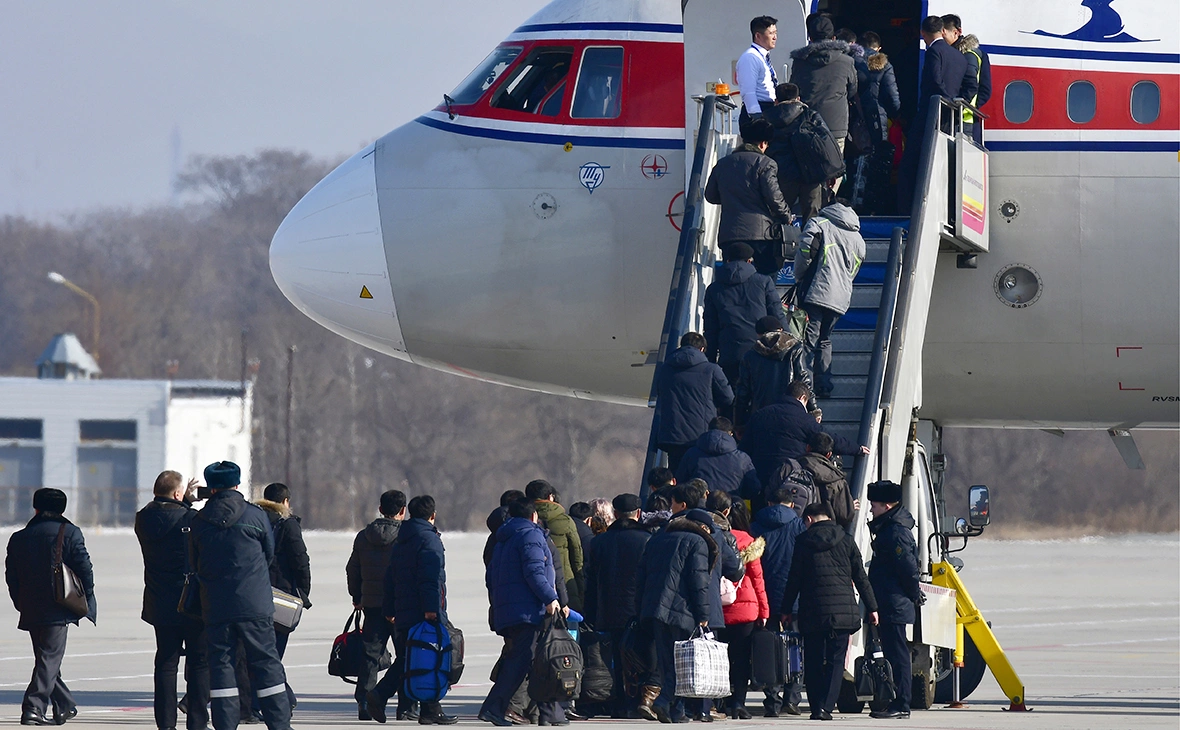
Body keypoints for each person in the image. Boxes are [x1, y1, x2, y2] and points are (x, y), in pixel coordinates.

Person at [189, 461, 292, 730]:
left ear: (210, 486)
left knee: (221, 665)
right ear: (237, 483)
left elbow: (194, 562)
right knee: (266, 663)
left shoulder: (199, 521)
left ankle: (225, 725)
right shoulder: (255, 516)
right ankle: (279, 724)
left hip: (216, 606)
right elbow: (268, 553)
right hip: (254, 603)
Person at [6, 488, 96, 726]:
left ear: (36, 508)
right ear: (62, 509)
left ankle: (64, 704)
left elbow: (11, 575)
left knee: (46, 658)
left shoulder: (18, 537)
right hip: (58, 605)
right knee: (49, 659)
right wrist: (86, 598)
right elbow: (84, 568)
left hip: (30, 606)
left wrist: (19, 601)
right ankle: (33, 707)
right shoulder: (70, 533)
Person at [781, 503, 878, 721]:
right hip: (842, 612)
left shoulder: (803, 543)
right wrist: (873, 607)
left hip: (813, 611)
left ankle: (816, 706)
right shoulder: (846, 540)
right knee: (836, 661)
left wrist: (786, 610)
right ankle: (826, 707)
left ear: (809, 520)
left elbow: (794, 579)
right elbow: (861, 578)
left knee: (813, 660)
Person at [369, 495, 458, 725]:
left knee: (418, 658)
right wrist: (432, 609)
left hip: (403, 609)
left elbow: (390, 576)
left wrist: (389, 607)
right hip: (422, 610)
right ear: (433, 515)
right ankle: (379, 695)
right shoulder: (429, 540)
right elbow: (430, 579)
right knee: (417, 658)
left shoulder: (403, 539)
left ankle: (430, 709)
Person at [480, 498, 565, 727]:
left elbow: (492, 576)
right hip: (527, 610)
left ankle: (546, 713)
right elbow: (535, 572)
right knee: (520, 661)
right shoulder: (531, 535)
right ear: (533, 515)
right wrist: (550, 597)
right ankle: (493, 707)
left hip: (509, 608)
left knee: (523, 660)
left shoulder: (503, 538)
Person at [136, 471, 210, 730]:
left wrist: (184, 500)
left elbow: (168, 519)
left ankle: (166, 723)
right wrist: (190, 504)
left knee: (166, 662)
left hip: (159, 600)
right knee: (200, 662)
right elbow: (188, 528)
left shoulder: (143, 519)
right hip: (191, 601)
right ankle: (197, 721)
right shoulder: (192, 518)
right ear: (178, 494)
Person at [634, 497, 716, 723]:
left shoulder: (657, 539)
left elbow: (640, 578)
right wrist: (703, 616)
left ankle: (676, 711)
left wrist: (640, 608)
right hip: (683, 609)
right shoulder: (697, 543)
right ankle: (663, 702)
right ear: (703, 527)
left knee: (667, 661)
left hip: (655, 609)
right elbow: (698, 582)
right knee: (684, 663)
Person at [583, 493, 653, 718]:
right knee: (641, 655)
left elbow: (592, 580)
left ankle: (620, 702)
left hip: (608, 608)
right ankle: (638, 700)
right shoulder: (647, 539)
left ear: (615, 514)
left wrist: (591, 611)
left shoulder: (599, 541)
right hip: (638, 609)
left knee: (615, 657)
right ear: (638, 514)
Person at [793, 197, 866, 398]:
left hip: (816, 291)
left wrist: (798, 276)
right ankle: (824, 385)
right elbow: (854, 270)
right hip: (840, 298)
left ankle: (804, 387)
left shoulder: (819, 224)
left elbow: (805, 253)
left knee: (808, 341)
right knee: (825, 340)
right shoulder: (858, 238)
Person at [703, 121, 795, 278]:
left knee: (732, 279)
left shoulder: (723, 164)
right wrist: (786, 216)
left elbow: (710, 196)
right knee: (767, 277)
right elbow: (774, 196)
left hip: (729, 234)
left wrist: (731, 198)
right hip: (761, 235)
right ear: (762, 143)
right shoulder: (765, 163)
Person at [345, 489, 407, 721]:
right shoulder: (407, 536)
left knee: (370, 655)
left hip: (371, 604)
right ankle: (405, 706)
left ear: (381, 509)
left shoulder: (363, 536)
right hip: (400, 606)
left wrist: (357, 596)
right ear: (403, 511)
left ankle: (364, 701)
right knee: (405, 655)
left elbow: (353, 568)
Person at [866, 481, 923, 720]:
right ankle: (896, 700)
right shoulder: (889, 528)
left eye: (874, 506)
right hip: (891, 599)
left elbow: (908, 568)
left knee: (898, 655)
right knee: (893, 652)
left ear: (887, 505)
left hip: (895, 601)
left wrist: (913, 593)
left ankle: (902, 703)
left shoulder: (895, 532)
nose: (871, 511)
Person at [898, 15, 967, 212]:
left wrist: (945, 97)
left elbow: (935, 80)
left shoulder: (934, 51)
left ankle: (906, 209)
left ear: (923, 33)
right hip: (949, 117)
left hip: (931, 113)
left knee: (910, 163)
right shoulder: (959, 57)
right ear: (943, 30)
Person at [748, 487, 806, 716]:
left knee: (767, 648)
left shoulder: (755, 527)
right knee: (795, 647)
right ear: (792, 505)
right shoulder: (800, 527)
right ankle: (792, 697)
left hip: (764, 596)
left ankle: (771, 698)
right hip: (794, 597)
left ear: (769, 502)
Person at [741, 381, 868, 486]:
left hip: (760, 474)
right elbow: (828, 439)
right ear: (802, 398)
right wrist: (856, 449)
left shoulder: (760, 415)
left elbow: (745, 446)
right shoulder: (804, 419)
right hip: (789, 475)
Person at [710, 492, 768, 720]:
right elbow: (758, 579)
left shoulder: (712, 537)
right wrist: (764, 610)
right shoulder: (748, 541)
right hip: (745, 610)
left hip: (717, 609)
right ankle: (738, 704)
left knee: (718, 657)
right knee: (741, 659)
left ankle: (718, 702)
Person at [789, 15, 857, 193]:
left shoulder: (800, 61)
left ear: (810, 38)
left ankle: (813, 204)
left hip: (807, 123)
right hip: (836, 124)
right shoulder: (847, 61)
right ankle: (829, 201)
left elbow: (794, 89)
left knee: (810, 166)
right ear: (834, 38)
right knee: (835, 167)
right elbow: (853, 90)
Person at [703, 241, 787, 386]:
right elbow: (777, 315)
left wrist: (709, 359)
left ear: (727, 260)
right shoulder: (764, 282)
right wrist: (789, 343)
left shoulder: (713, 289)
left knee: (733, 400)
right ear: (750, 261)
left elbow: (711, 329)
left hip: (730, 353)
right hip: (761, 350)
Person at [655, 332, 734, 472]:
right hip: (701, 435)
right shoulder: (711, 369)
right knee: (698, 479)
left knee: (677, 476)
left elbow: (660, 392)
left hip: (673, 435)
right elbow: (728, 398)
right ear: (702, 349)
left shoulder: (665, 368)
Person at [764, 83, 835, 222]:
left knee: (780, 215)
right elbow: (825, 143)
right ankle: (809, 243)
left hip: (781, 174)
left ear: (776, 101)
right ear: (798, 99)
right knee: (812, 218)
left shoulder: (767, 118)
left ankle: (780, 242)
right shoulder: (811, 115)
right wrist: (830, 173)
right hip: (810, 173)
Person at [258, 483, 312, 659]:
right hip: (281, 595)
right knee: (274, 652)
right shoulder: (287, 525)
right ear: (286, 501)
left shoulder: (253, 520)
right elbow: (300, 560)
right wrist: (303, 593)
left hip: (252, 592)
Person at [735, 315, 811, 427]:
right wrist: (813, 410)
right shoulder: (795, 349)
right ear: (780, 330)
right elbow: (803, 380)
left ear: (759, 335)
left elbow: (742, 392)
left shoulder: (750, 356)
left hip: (760, 415)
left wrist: (739, 422)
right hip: (790, 413)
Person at [526, 480, 585, 612]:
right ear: (550, 497)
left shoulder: (525, 522)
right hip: (565, 583)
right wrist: (580, 587)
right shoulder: (565, 521)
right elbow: (577, 557)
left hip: (532, 587)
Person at [676, 416, 760, 498]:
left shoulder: (691, 453)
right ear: (730, 433)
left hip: (699, 506)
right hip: (729, 506)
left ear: (708, 430)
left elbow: (680, 482)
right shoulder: (743, 458)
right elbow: (754, 488)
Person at [800, 432, 858, 530]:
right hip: (823, 533)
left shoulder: (789, 468)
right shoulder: (836, 479)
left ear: (808, 448)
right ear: (829, 454)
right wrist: (850, 506)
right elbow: (844, 515)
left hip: (793, 529)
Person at [736, 15, 780, 136]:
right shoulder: (750, 58)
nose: (775, 37)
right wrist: (757, 118)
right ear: (758, 36)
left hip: (768, 109)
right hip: (758, 112)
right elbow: (748, 91)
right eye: (771, 33)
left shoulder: (762, 57)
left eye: (775, 33)